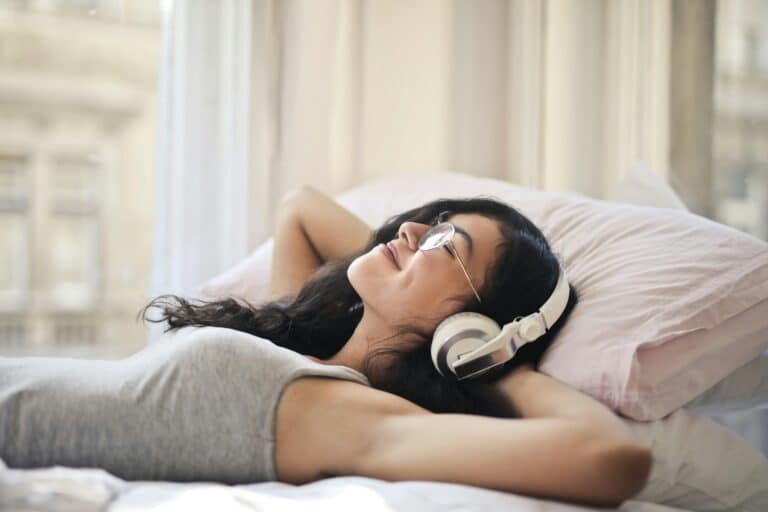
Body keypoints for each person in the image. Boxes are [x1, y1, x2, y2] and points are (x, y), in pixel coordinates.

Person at [0, 186, 652, 508]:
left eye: (446, 245)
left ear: (474, 325)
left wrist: (488, 355)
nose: (414, 229)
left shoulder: (344, 418)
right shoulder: (306, 343)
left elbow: (614, 457)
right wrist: (412, 250)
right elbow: (303, 210)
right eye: (434, 223)